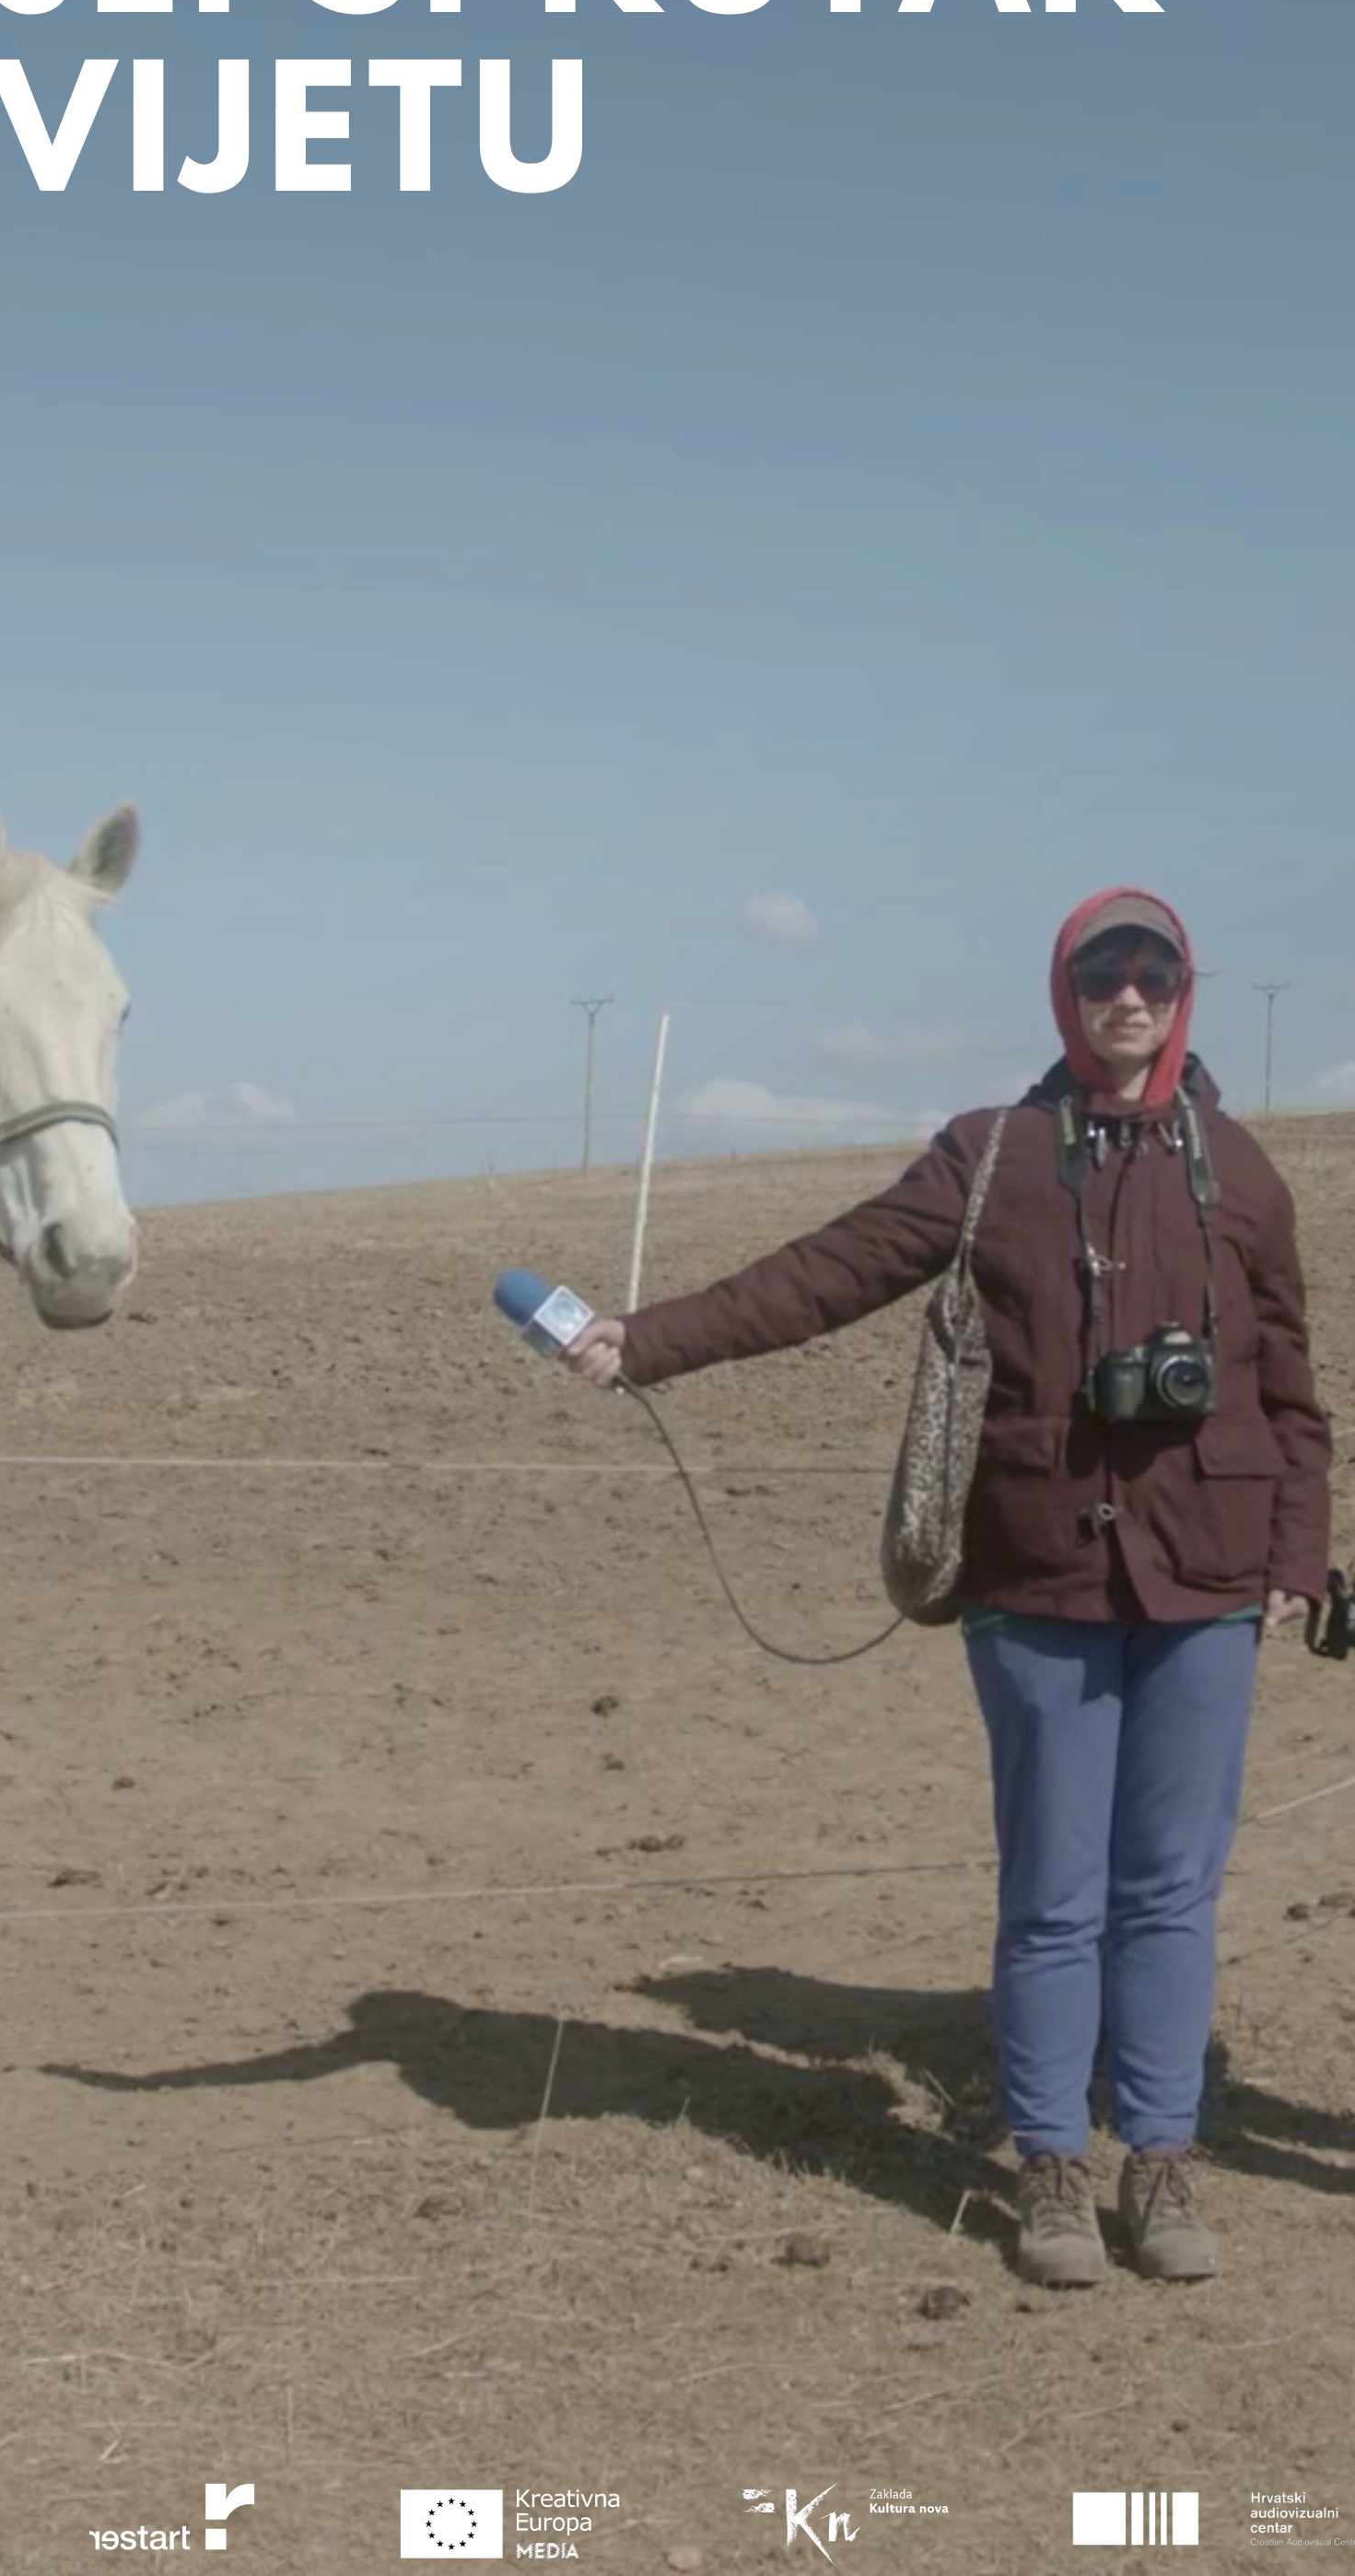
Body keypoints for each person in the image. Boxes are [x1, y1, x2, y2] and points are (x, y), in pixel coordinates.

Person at [563, 888, 1329, 2287]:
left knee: (1170, 1888)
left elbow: (1289, 1388)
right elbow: (829, 1273)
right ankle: (1047, 2167)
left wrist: (1291, 1559)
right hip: (1037, 1569)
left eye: (1155, 975)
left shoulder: (1241, 1169)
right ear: (1066, 994)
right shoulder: (995, 1158)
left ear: (1184, 993)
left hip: (1210, 1577)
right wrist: (652, 1341)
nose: (1131, 998)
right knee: (1053, 1888)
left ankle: (1160, 2164)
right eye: (1104, 975)